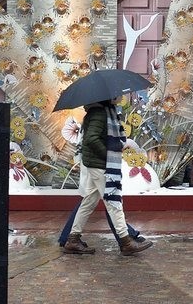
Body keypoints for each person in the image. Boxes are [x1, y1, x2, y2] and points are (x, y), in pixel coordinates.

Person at [57, 98, 153, 255]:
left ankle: (72, 240)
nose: (121, 98)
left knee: (88, 202)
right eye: (117, 95)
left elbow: (101, 137)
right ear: (110, 97)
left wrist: (118, 146)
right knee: (113, 202)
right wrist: (108, 155)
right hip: (99, 165)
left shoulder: (104, 112)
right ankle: (126, 242)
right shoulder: (100, 113)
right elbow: (91, 139)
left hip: (96, 163)